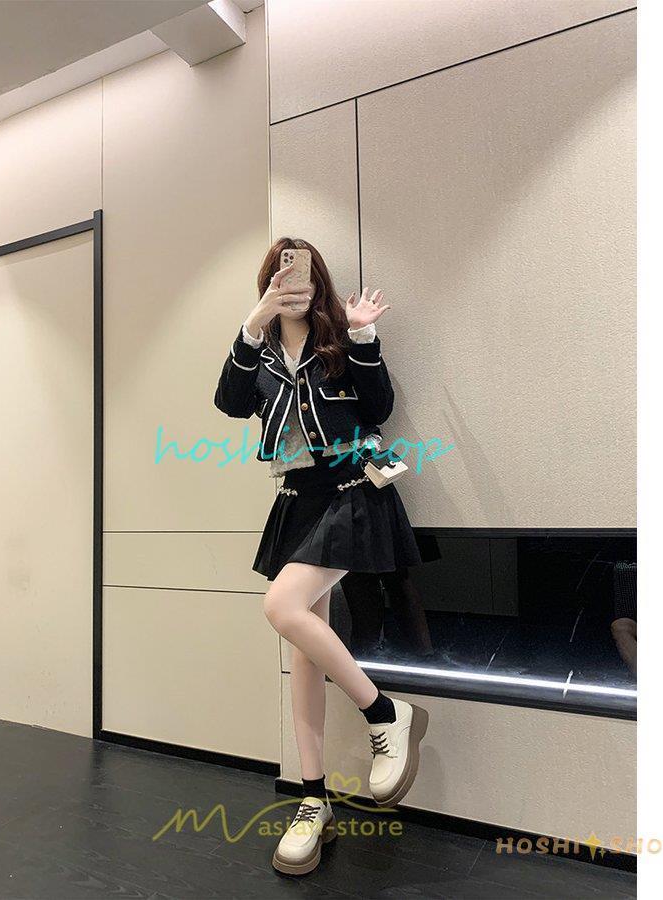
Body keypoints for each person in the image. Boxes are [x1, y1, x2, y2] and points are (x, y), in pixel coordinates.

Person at [214, 237, 428, 876]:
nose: (293, 284)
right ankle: (314, 801)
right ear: (269, 284)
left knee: (281, 607)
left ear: (318, 281)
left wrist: (362, 336)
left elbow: (380, 408)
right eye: (280, 277)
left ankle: (385, 713)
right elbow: (229, 402)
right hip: (297, 502)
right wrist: (254, 321)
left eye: (302, 274)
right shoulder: (259, 353)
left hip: (352, 491)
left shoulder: (340, 342)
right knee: (302, 651)